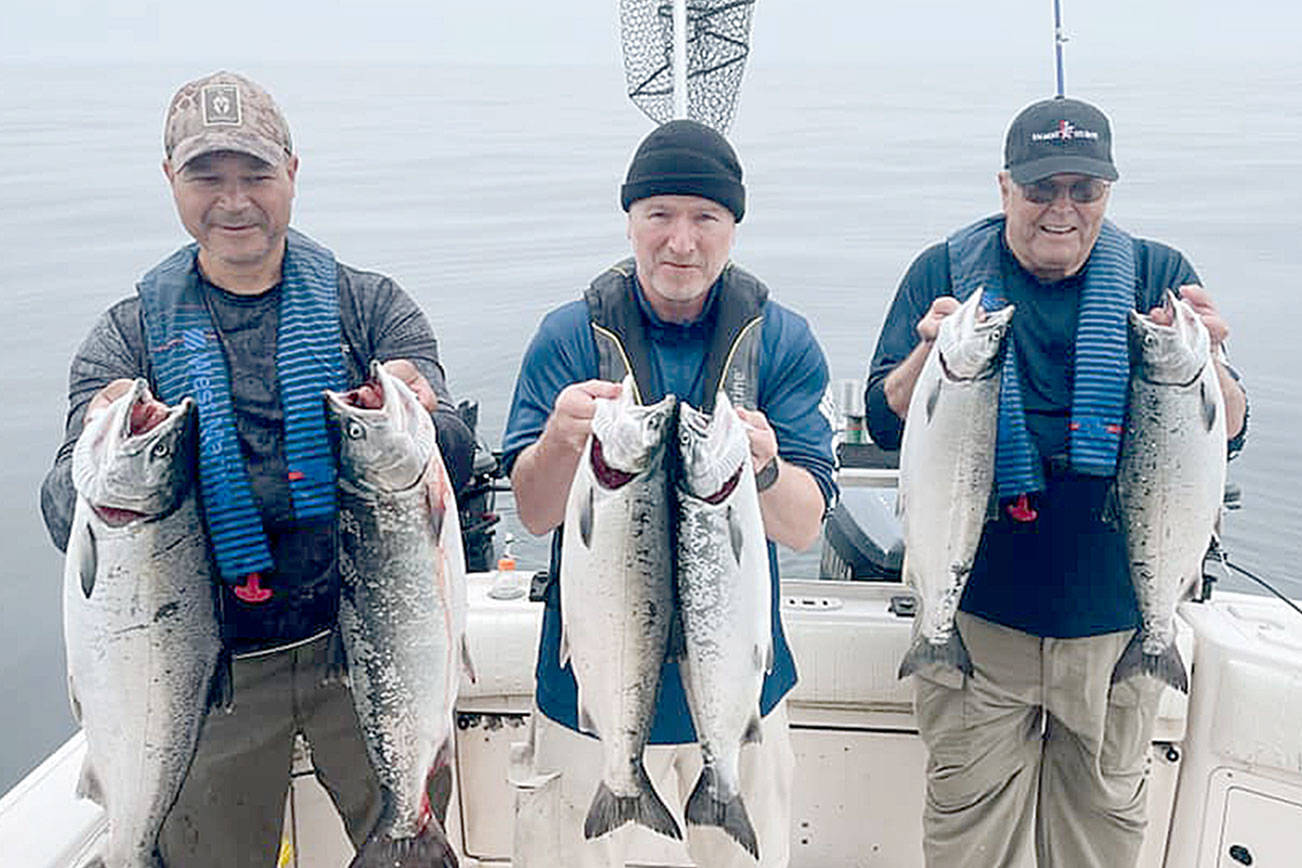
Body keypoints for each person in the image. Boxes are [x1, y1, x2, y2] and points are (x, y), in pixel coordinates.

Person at [39, 70, 475, 866]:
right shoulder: (126, 340)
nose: (234, 200)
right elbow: (63, 513)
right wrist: (98, 457)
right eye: (208, 176)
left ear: (293, 174)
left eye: (256, 175)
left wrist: (426, 416)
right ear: (170, 180)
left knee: (413, 835)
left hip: (368, 646)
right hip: (204, 672)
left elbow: (451, 459)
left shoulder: (371, 310)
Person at [865, 95, 1249, 867]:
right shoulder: (945, 274)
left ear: (1109, 193)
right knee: (967, 839)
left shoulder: (1157, 278)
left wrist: (1211, 363)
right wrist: (928, 355)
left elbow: (1229, 430)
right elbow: (884, 420)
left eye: (1085, 190)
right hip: (978, 626)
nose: (1062, 210)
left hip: (1117, 631)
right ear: (1005, 188)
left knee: (1101, 839)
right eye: (1041, 189)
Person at [501, 119, 838, 867]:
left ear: (733, 229)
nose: (680, 242)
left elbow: (804, 526)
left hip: (740, 702)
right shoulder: (568, 337)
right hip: (590, 703)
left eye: (704, 218)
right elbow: (532, 512)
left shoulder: (780, 340)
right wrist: (560, 442)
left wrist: (768, 469)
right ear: (629, 222)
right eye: (659, 215)